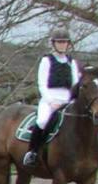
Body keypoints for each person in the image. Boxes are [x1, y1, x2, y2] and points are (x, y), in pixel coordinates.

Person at [22, 29, 81, 168]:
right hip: (50, 99)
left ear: (68, 44)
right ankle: (33, 152)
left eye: (64, 42)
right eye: (59, 42)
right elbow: (42, 83)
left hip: (67, 100)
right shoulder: (46, 60)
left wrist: (73, 100)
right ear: (54, 44)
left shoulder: (71, 62)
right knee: (42, 121)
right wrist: (51, 102)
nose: (62, 45)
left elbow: (76, 83)